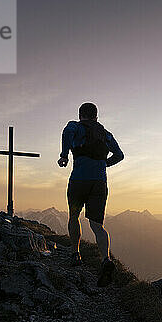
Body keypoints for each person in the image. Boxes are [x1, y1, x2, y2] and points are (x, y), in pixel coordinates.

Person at [57, 102, 124, 287]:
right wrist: (103, 164)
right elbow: (119, 155)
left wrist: (64, 155)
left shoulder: (75, 126)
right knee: (97, 225)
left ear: (80, 115)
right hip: (99, 183)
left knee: (73, 216)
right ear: (96, 116)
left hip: (79, 181)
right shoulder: (106, 134)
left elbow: (66, 133)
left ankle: (75, 254)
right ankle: (106, 260)